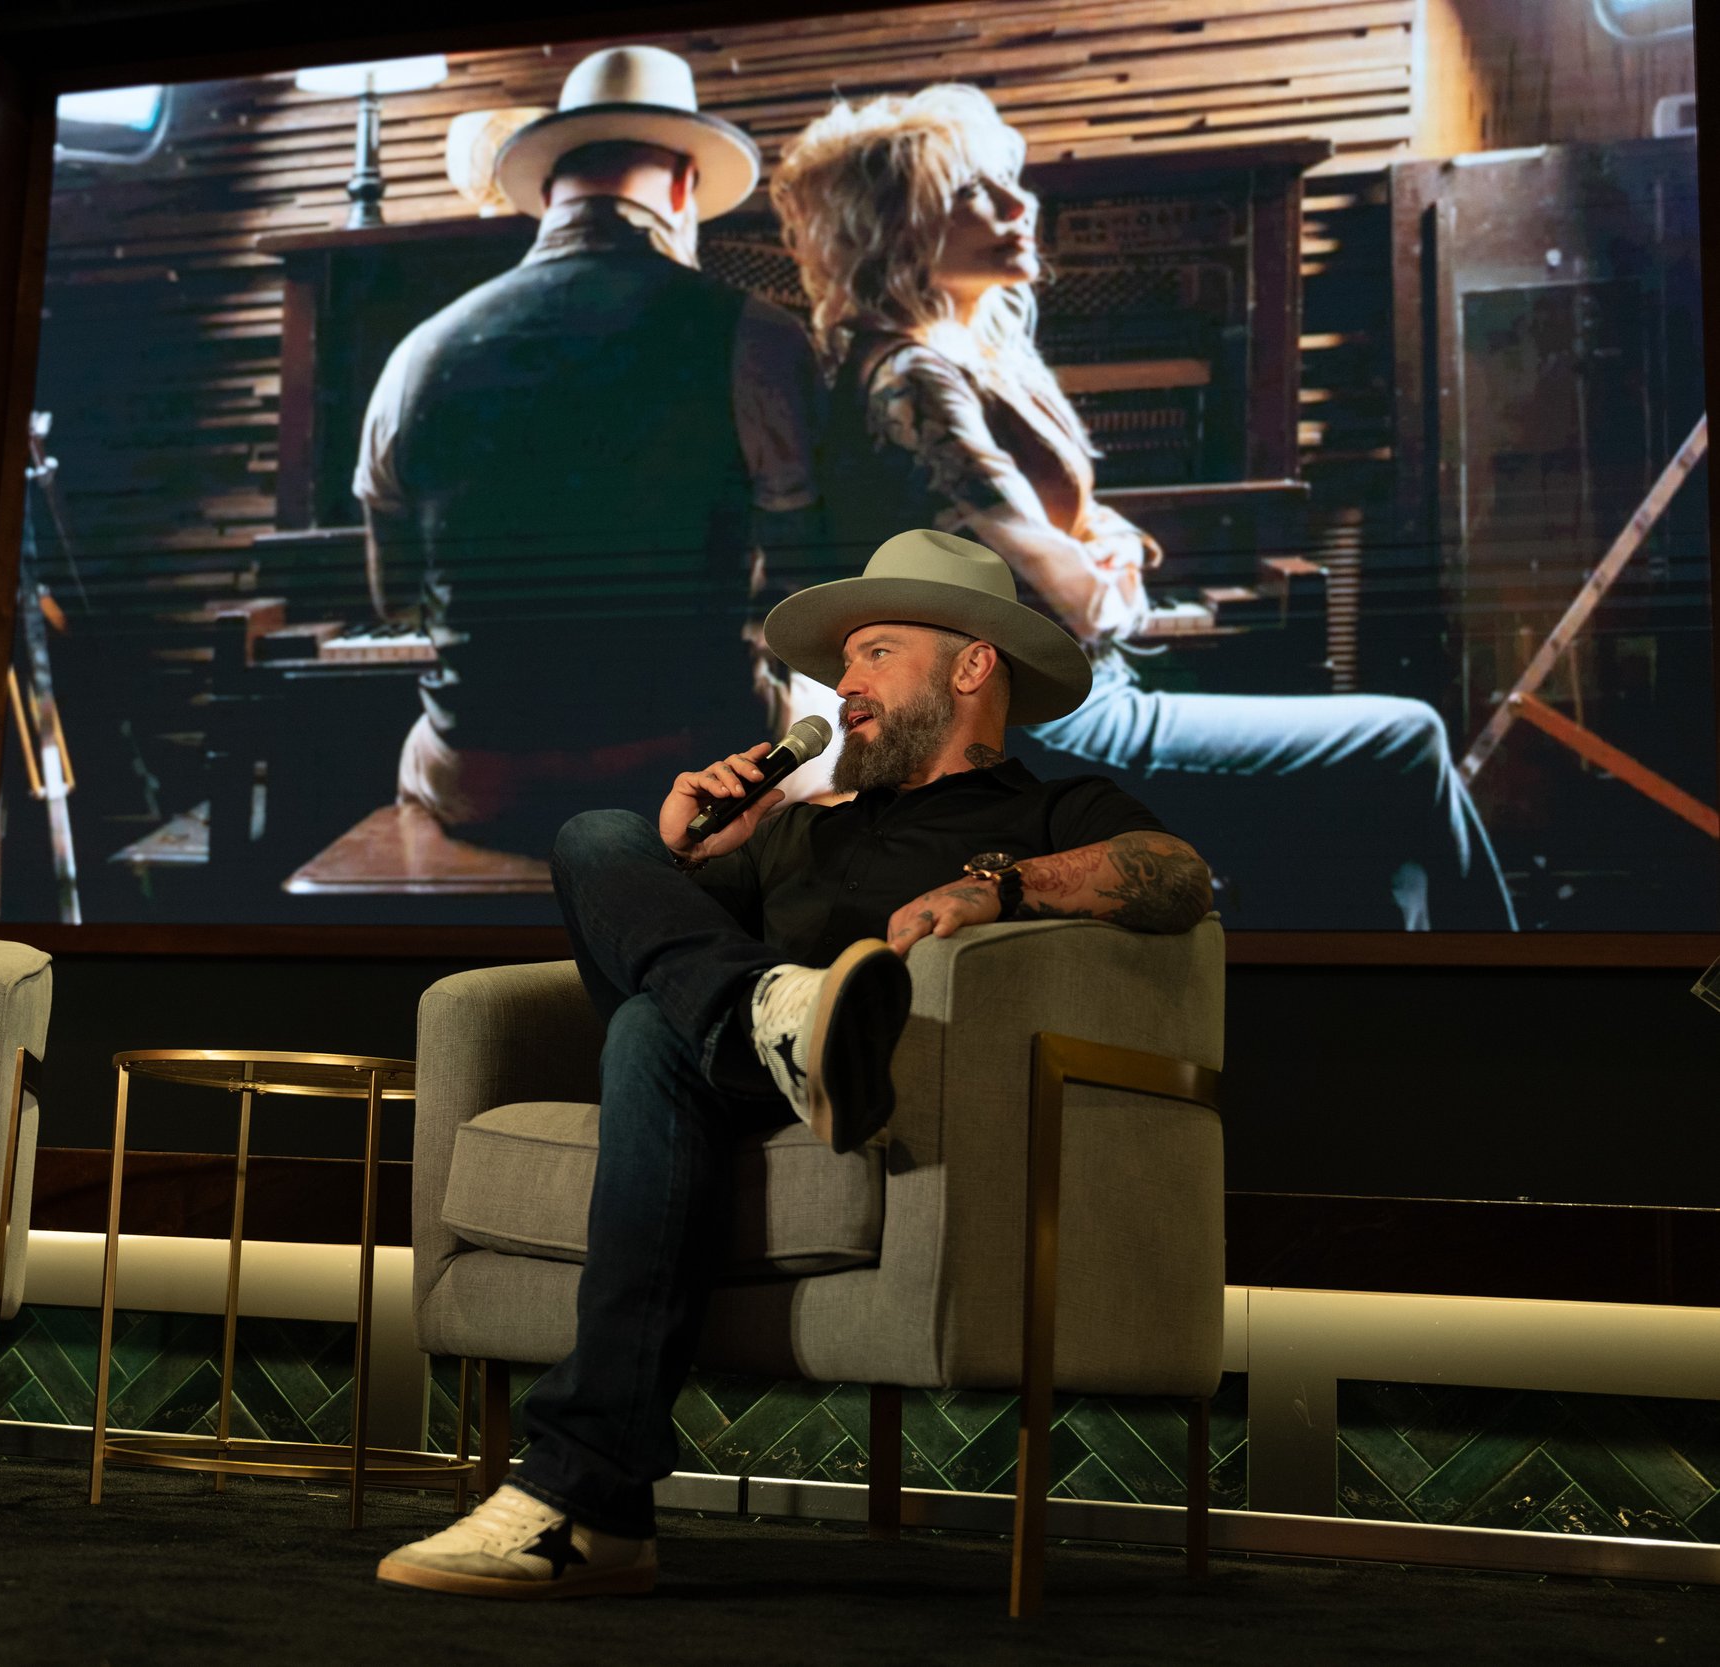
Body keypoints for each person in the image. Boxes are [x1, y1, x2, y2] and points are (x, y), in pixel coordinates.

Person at [376, 528, 1213, 1598]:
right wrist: (686, 858)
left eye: (875, 653)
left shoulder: (1049, 809)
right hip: (737, 1066)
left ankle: (587, 1500)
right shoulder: (797, 827)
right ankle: (770, 1007)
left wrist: (1000, 886)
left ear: (970, 665)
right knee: (598, 838)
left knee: (646, 1032)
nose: (843, 684)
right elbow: (649, 952)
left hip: (887, 1083)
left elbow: (1173, 875)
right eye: (842, 662)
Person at [770, 85, 1515, 931]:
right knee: (1406, 739)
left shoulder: (953, 357)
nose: (1022, 206)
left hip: (1061, 691)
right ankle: (1499, 989)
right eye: (978, 191)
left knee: (1363, 821)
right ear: (899, 225)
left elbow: (1092, 539)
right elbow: (1084, 595)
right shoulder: (915, 378)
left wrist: (1099, 555)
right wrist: (1110, 575)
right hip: (1046, 723)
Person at [351, 43, 825, 853]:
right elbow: (801, 590)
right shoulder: (756, 334)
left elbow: (392, 597)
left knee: (413, 756)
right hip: (689, 767)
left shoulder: (416, 353)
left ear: (545, 194)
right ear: (683, 187)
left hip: (486, 775)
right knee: (835, 726)